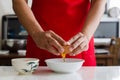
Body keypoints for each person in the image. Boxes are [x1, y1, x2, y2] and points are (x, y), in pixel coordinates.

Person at [12, 0, 106, 66]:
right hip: (40, 41)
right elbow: (18, 2)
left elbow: (99, 1)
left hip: (80, 45)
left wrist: (86, 34)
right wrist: (36, 33)